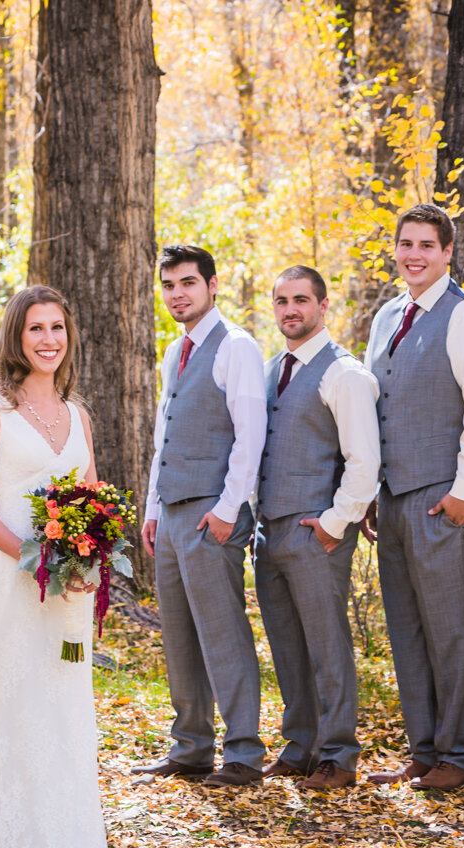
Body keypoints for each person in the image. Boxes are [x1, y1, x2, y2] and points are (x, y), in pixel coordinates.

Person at [0, 285, 113, 848]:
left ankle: (71, 846)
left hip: (70, 589)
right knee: (20, 702)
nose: (49, 340)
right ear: (16, 338)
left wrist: (86, 557)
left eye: (57, 328)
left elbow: (95, 501)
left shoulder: (79, 416)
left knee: (67, 702)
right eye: (35, 329)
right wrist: (33, 556)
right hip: (17, 584)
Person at [362, 205, 464, 793]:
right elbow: (377, 405)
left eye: (427, 244)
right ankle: (423, 749)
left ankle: (460, 753)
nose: (414, 254)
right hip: (393, 497)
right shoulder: (387, 315)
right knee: (406, 626)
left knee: (447, 627)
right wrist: (372, 489)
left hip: (444, 496)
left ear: (448, 252)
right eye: (406, 244)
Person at [133, 245, 268, 788]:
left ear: (212, 285)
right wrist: (151, 509)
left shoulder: (235, 346)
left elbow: (249, 435)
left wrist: (227, 509)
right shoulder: (175, 351)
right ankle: (190, 748)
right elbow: (164, 435)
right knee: (180, 635)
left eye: (187, 283)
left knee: (222, 632)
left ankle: (243, 753)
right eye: (168, 285)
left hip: (212, 513)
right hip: (170, 514)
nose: (177, 294)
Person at [253, 266, 380, 790]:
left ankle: (338, 754)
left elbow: (364, 460)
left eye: (301, 299)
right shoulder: (268, 370)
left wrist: (333, 524)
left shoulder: (343, 373)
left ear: (323, 306)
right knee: (286, 642)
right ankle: (300, 744)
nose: (290, 310)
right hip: (269, 529)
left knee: (326, 644)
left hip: (315, 531)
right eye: (281, 300)